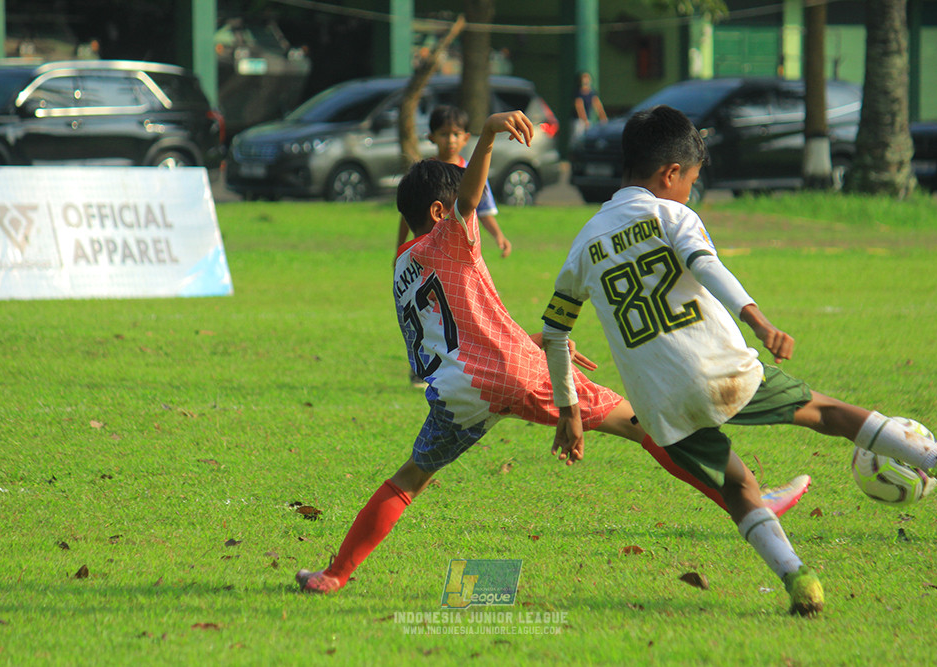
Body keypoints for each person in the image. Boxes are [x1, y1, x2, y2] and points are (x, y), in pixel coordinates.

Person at [295, 111, 810, 595]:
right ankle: (747, 498)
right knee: (643, 425)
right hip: (511, 372)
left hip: (457, 394)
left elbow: (461, 332)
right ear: (438, 212)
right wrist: (489, 135)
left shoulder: (402, 270)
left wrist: (535, 342)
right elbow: (469, 202)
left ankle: (335, 575)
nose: (462, 216)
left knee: (409, 478)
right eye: (451, 209)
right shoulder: (447, 238)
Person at [540, 104, 937, 618]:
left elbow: (554, 331)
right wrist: (757, 319)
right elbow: (707, 265)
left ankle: (800, 581)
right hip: (719, 371)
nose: (691, 192)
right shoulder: (672, 214)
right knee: (827, 413)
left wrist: (569, 410)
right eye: (693, 181)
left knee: (737, 486)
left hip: (659, 403)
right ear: (670, 174)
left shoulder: (585, 242)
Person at [397, 105, 511, 388]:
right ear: (432, 137)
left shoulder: (471, 174)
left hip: (457, 258)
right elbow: (408, 215)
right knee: (427, 312)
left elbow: (481, 209)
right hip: (430, 258)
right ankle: (424, 367)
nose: (450, 139)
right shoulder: (424, 176)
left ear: (465, 138)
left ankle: (465, 362)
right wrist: (402, 248)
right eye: (444, 133)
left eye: (456, 134)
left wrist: (498, 235)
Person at [572, 71, 608, 142]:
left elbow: (599, 107)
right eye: (584, 78)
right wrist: (585, 121)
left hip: (587, 121)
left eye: (587, 78)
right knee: (577, 140)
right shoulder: (578, 93)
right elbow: (580, 108)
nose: (585, 80)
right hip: (578, 121)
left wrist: (604, 119)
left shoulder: (592, 93)